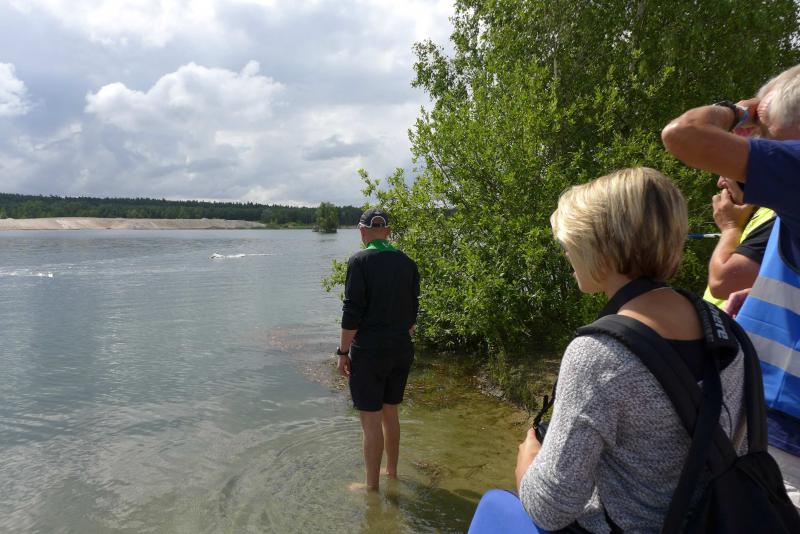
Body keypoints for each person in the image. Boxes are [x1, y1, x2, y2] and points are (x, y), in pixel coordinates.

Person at [470, 168, 749, 532]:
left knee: (495, 506)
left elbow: (550, 509)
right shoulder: (726, 330)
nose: (566, 254)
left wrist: (528, 460)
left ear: (601, 248)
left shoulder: (598, 355)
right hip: (717, 521)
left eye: (571, 243)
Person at [662, 64, 800, 505]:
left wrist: (737, 110)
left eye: (764, 128)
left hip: (783, 437)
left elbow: (683, 135)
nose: (753, 140)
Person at [336, 207, 420, 492]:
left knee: (370, 421)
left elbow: (352, 312)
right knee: (390, 412)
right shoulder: (408, 263)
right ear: (388, 232)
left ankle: (371, 487)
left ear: (362, 231)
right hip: (401, 349)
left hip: (370, 352)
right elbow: (413, 312)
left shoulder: (359, 261)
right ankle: (391, 472)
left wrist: (342, 352)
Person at [702, 175, 774, 310]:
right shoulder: (763, 214)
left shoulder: (779, 216)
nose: (719, 183)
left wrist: (730, 227)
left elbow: (722, 283)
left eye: (725, 173)